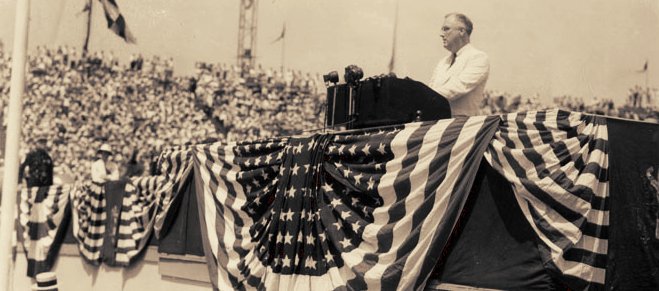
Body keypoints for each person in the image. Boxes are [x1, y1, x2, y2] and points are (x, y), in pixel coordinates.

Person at [429, 13, 490, 116]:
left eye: (446, 29)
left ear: (461, 31)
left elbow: (457, 88)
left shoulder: (478, 58)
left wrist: (422, 96)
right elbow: (431, 88)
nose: (441, 34)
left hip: (463, 126)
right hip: (437, 123)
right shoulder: (443, 62)